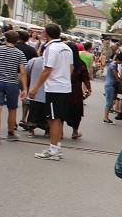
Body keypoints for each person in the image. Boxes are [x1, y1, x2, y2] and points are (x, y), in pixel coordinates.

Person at [28, 23, 73, 161]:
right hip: (65, 87)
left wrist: (35, 87)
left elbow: (47, 69)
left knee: (52, 119)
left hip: (55, 88)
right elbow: (71, 67)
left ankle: (53, 149)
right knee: (58, 118)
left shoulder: (51, 48)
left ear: (46, 34)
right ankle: (56, 147)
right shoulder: (66, 48)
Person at [0, 29, 27, 144]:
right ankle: (10, 133)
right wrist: (24, 88)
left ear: (6, 39)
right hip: (12, 83)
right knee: (12, 108)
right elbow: (23, 72)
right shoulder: (19, 53)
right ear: (16, 40)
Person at [13, 30, 38, 128]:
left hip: (13, 74)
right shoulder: (31, 50)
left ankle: (13, 121)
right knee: (26, 99)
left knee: (13, 99)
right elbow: (36, 61)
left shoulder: (13, 47)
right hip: (26, 76)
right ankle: (23, 118)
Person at [66, 52, 92, 139]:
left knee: (62, 111)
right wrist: (89, 88)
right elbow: (86, 78)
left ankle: (60, 132)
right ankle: (75, 131)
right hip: (76, 92)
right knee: (77, 112)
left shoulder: (64, 61)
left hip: (63, 90)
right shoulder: (81, 64)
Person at [102, 52, 122, 123]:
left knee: (110, 101)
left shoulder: (113, 64)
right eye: (120, 61)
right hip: (110, 85)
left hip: (109, 85)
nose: (121, 62)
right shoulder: (113, 65)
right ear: (118, 59)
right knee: (109, 102)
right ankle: (106, 118)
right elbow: (116, 76)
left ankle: (106, 117)